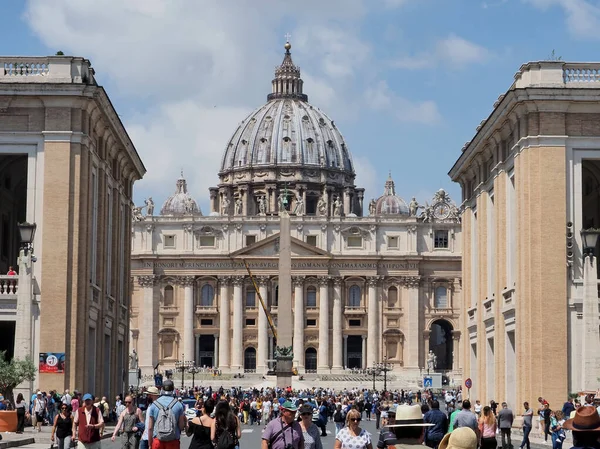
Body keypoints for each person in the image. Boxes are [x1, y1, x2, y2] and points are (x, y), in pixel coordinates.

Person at [147, 379, 185, 449]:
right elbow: (181, 426)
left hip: (158, 440)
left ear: (162, 389)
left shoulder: (154, 404)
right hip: (173, 441)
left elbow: (150, 428)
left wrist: (150, 444)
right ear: (173, 389)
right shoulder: (178, 405)